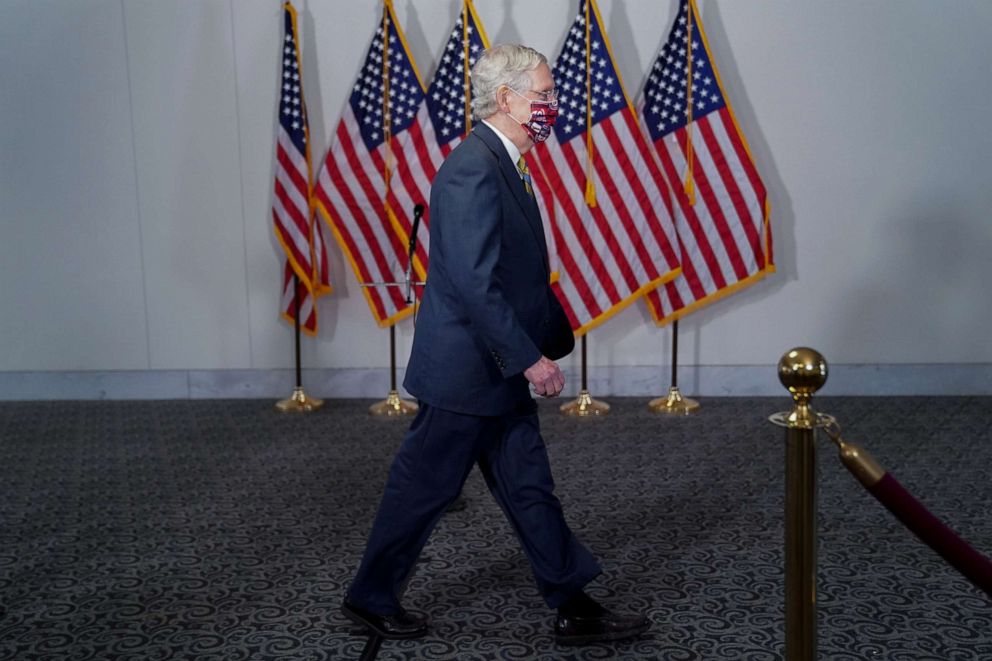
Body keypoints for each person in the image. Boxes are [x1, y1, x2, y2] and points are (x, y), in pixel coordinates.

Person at [341, 43, 649, 647]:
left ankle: (572, 602)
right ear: (505, 98)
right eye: (543, 94)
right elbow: (473, 286)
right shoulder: (471, 168)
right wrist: (531, 359)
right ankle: (369, 598)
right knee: (421, 491)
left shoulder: (507, 161)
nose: (553, 105)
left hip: (494, 370)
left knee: (529, 486)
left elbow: (515, 273)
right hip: (465, 374)